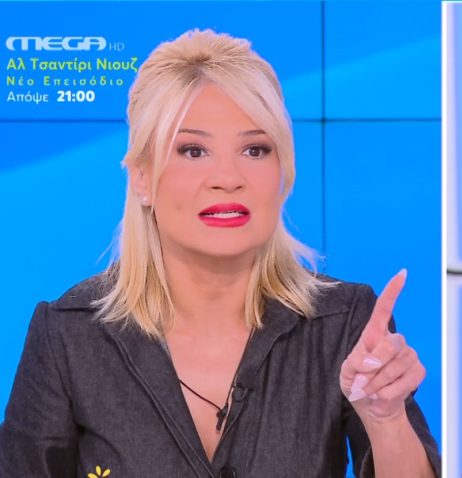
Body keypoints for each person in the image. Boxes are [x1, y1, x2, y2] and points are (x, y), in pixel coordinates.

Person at [0, 29, 439, 478]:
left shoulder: (343, 323)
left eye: (255, 149)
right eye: (193, 150)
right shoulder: (69, 336)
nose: (228, 178)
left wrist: (385, 420)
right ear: (143, 178)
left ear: (282, 174)